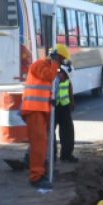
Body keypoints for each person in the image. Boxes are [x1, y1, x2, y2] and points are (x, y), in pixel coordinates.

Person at [22, 43, 70, 188]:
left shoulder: (51, 67)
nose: (60, 64)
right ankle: (36, 176)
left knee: (44, 143)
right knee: (38, 144)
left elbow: (51, 84)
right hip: (34, 109)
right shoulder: (39, 65)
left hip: (43, 109)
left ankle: (42, 170)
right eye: (59, 60)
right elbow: (48, 76)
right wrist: (55, 64)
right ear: (55, 57)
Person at [55, 59, 78, 163]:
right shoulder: (54, 80)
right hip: (54, 108)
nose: (66, 78)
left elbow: (70, 91)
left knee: (67, 132)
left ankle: (66, 155)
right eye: (65, 75)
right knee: (49, 133)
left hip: (64, 107)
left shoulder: (66, 81)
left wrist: (72, 103)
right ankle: (51, 155)